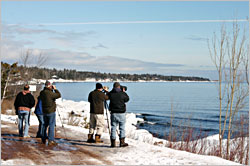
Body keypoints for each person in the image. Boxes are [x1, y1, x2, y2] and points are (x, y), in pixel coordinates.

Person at [108, 82, 129, 147]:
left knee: (113, 127)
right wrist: (124, 92)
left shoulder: (111, 94)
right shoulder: (122, 94)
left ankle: (113, 143)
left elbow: (108, 95)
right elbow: (127, 99)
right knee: (122, 127)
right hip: (121, 113)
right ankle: (122, 142)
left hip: (113, 113)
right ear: (119, 87)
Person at [40, 80, 61, 145]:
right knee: (51, 125)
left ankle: (43, 138)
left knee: (44, 125)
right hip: (51, 111)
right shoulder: (50, 93)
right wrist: (55, 89)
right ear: (49, 86)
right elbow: (58, 95)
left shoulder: (42, 92)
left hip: (44, 111)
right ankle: (51, 140)